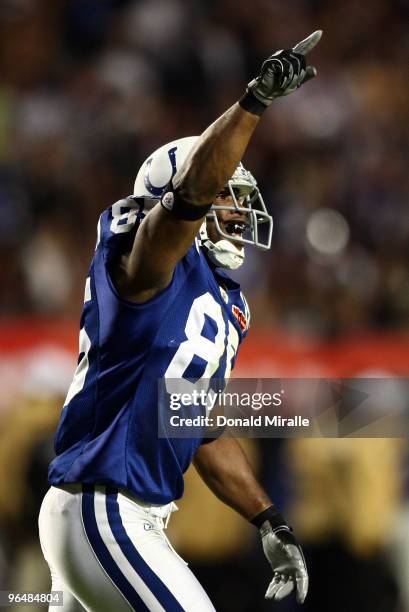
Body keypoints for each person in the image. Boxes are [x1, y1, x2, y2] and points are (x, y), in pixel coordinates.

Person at [38, 30, 322, 611]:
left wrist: (269, 520)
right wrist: (254, 104)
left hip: (115, 512)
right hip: (107, 507)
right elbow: (189, 196)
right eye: (228, 194)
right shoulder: (147, 262)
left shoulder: (219, 299)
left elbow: (198, 422)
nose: (239, 210)